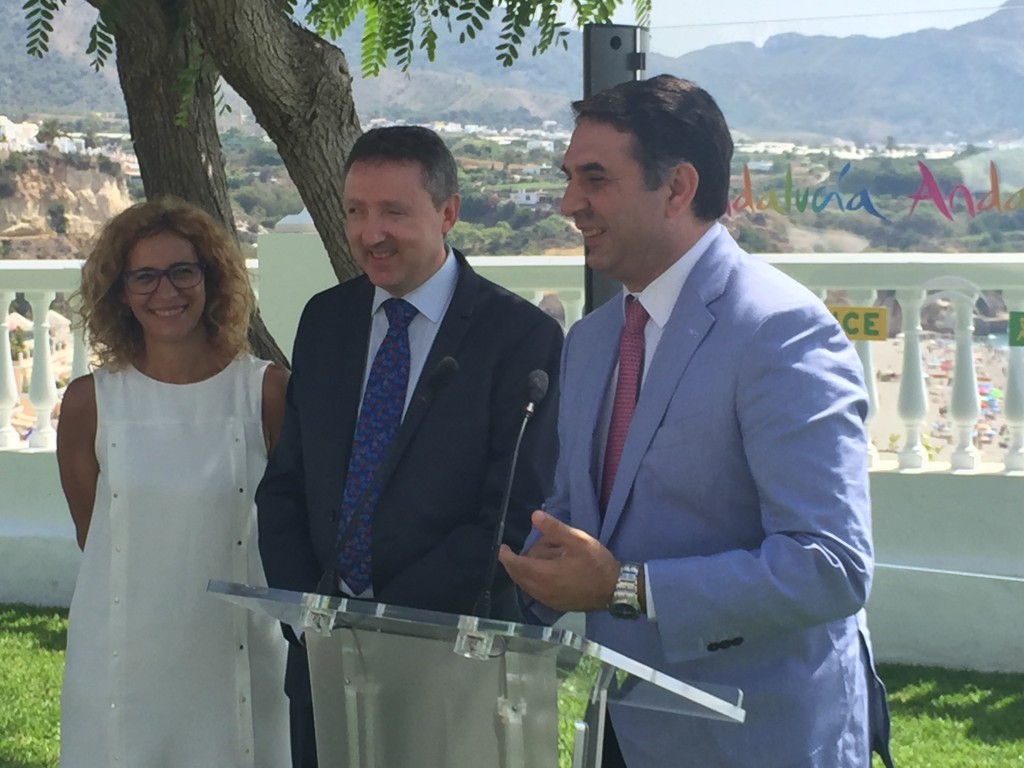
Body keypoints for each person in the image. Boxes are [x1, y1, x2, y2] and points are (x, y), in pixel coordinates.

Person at [499, 75, 893, 768]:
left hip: (760, 740)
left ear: (677, 189)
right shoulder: (592, 342)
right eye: (568, 178)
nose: (569, 204)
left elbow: (830, 566)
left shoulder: (781, 330)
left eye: (594, 179)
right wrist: (506, 588)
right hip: (627, 730)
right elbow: (579, 523)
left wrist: (624, 587)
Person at [256, 125, 563, 768]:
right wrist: (306, 610)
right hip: (325, 659)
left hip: (450, 657)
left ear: (447, 212)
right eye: (356, 211)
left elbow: (512, 512)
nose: (371, 233)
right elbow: (287, 483)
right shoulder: (326, 320)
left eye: (393, 211)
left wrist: (382, 624)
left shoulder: (520, 337)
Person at [57, 197, 290, 768]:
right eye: (144, 276)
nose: (167, 292)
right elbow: (97, 536)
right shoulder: (90, 403)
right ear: (120, 291)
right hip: (121, 659)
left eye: (183, 271)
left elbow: (292, 528)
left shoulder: (266, 393)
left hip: (239, 653)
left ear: (212, 279)